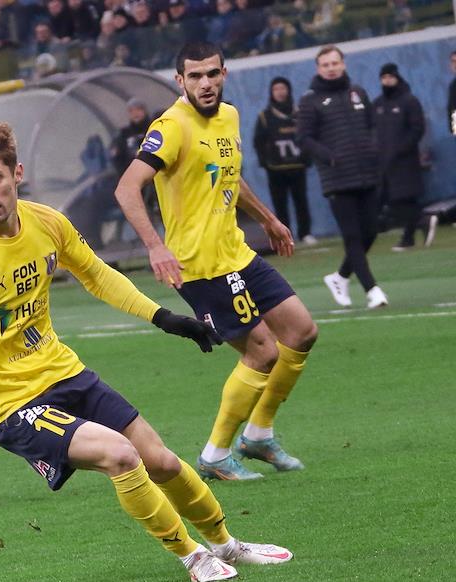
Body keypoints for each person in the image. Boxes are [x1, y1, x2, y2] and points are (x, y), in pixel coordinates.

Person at [0, 121, 292, 582]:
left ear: (17, 174)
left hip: (63, 373)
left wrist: (163, 317)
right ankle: (192, 557)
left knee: (162, 461)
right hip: (9, 404)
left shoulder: (47, 223)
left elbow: (97, 275)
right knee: (121, 456)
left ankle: (227, 544)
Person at [115, 42, 318, 482]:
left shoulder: (229, 116)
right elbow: (127, 188)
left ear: (224, 73)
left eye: (212, 74)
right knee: (263, 351)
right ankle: (216, 454)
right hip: (199, 265)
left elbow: (229, 175)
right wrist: (155, 245)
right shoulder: (171, 127)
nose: (205, 83)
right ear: (180, 81)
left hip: (235, 252)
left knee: (301, 332)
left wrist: (268, 219)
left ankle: (259, 435)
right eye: (195, 76)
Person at [296, 45, 388, 309]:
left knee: (370, 231)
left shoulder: (358, 92)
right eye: (325, 65)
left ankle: (340, 277)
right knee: (352, 236)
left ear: (343, 64)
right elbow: (303, 138)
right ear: (318, 68)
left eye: (335, 63)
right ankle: (372, 290)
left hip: (367, 173)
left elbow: (372, 125)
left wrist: (373, 148)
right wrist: (329, 157)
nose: (331, 68)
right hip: (337, 178)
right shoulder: (310, 100)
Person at [253, 77, 315, 245]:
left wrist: (308, 158)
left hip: (297, 166)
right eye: (276, 89)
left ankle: (305, 233)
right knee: (280, 204)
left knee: (301, 201)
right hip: (276, 169)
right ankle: (285, 235)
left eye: (283, 88)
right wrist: (265, 162)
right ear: (271, 93)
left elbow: (309, 136)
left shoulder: (299, 114)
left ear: (288, 90)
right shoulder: (265, 117)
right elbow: (258, 142)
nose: (280, 92)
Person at [372, 64, 426, 252]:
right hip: (384, 163)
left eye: (390, 77)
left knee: (405, 199)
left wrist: (401, 149)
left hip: (405, 161)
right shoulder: (378, 104)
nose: (387, 81)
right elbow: (371, 130)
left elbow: (417, 129)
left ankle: (410, 235)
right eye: (384, 77)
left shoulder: (409, 101)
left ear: (397, 78)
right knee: (392, 200)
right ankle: (423, 222)